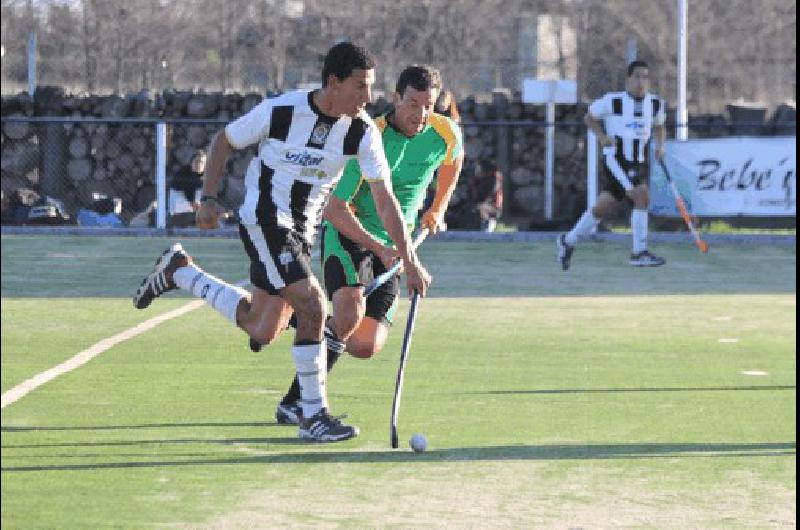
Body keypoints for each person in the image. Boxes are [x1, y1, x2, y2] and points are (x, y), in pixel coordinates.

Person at [132, 42, 431, 443]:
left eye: (370, 87)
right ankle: (313, 415)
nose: (367, 98)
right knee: (312, 303)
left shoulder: (362, 132)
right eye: (360, 87)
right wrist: (208, 198)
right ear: (333, 82)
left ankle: (181, 272)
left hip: (302, 234)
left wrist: (409, 260)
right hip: (266, 220)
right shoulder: (282, 111)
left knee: (263, 327)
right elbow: (225, 141)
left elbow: (385, 199)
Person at [274, 64, 463, 425]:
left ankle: (303, 317)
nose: (419, 114)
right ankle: (296, 402)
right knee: (348, 315)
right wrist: (390, 252)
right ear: (395, 98)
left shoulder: (445, 133)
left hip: (396, 243)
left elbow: (453, 162)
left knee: (364, 345)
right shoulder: (367, 139)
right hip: (351, 235)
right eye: (412, 103)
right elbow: (334, 208)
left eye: (428, 105)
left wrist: (437, 207)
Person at [557, 60, 667, 269]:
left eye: (645, 77)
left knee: (601, 208)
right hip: (616, 159)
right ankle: (639, 253)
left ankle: (568, 241)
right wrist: (602, 137)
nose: (641, 81)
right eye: (637, 76)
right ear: (628, 79)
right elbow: (589, 118)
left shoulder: (655, 104)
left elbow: (660, 125)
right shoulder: (612, 101)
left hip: (638, 162)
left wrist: (660, 146)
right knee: (641, 196)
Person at [168, 150, 205, 227]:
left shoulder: (205, 177)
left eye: (201, 162)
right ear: (191, 162)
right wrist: (193, 204)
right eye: (196, 161)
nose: (199, 164)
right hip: (178, 212)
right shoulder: (182, 174)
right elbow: (188, 187)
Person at [469, 159, 503, 232]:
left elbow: (490, 195)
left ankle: (489, 226)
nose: (477, 171)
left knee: (482, 208)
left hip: (493, 208)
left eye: (479, 168)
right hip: (481, 207)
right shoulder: (478, 180)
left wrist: (480, 205)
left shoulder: (494, 179)